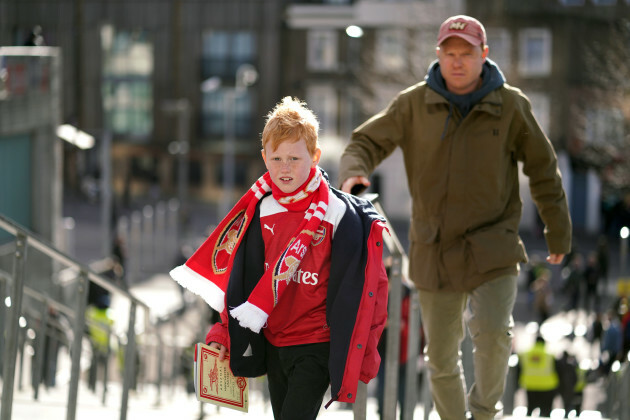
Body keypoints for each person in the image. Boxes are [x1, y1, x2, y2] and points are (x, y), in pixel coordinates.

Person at [338, 15, 572, 420]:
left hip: (493, 243)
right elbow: (365, 140)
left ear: (484, 55)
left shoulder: (512, 106)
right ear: (439, 55)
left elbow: (543, 169)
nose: (458, 62)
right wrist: (356, 172)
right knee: (440, 356)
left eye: (467, 53)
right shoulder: (414, 103)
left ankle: (484, 414)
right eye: (450, 53)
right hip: (434, 247)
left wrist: (559, 231)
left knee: (494, 335)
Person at [170, 97, 389, 419]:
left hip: (317, 341)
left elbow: (369, 287)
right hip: (274, 340)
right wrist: (221, 334)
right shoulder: (258, 209)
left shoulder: (339, 213)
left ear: (315, 156)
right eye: (276, 158)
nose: (285, 167)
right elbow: (239, 281)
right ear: (264, 158)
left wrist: (366, 348)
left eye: (294, 158)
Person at [517, 335, 559, 417]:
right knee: (546, 410)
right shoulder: (550, 355)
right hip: (547, 385)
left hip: (530, 384)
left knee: (530, 408)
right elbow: (557, 369)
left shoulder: (525, 354)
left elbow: (520, 369)